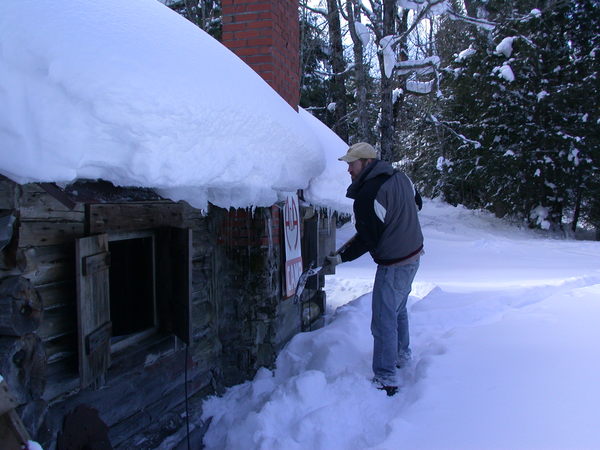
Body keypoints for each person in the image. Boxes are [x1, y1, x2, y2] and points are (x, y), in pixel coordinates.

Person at [326, 142, 424, 396]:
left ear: (367, 163)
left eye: (352, 164)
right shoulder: (400, 176)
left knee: (383, 319)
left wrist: (340, 258)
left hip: (395, 261)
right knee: (397, 309)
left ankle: (386, 378)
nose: (348, 169)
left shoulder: (369, 193)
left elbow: (368, 236)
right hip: (414, 254)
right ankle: (401, 356)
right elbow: (417, 202)